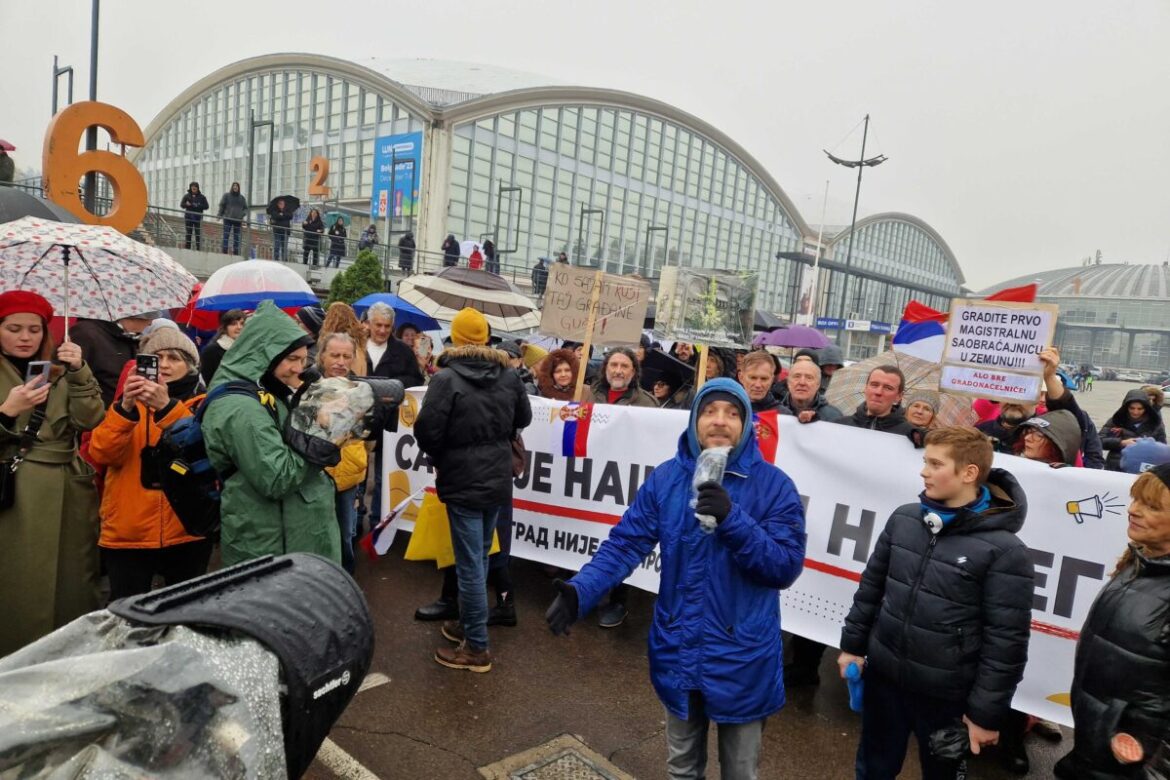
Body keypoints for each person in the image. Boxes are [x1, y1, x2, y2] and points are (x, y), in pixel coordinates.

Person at [546, 378, 807, 780]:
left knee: (740, 772)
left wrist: (732, 519)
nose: (720, 421)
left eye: (732, 413)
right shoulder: (667, 479)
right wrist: (581, 591)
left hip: (742, 656)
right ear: (694, 419)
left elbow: (784, 567)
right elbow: (625, 544)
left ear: (746, 423)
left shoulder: (775, 487)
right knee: (682, 769)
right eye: (710, 411)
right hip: (678, 646)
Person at [838, 426, 1034, 779]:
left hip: (946, 698)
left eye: (934, 463)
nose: (923, 471)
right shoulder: (903, 519)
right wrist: (852, 646)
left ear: (969, 473)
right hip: (884, 679)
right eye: (925, 461)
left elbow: (1006, 643)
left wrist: (984, 714)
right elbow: (871, 588)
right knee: (872, 768)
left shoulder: (1007, 552)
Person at [414, 308, 532, 673]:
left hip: (463, 480)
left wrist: (447, 450)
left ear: (457, 338)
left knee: (470, 563)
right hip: (496, 478)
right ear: (484, 338)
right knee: (478, 557)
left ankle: (477, 647)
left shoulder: (446, 378)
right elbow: (523, 419)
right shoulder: (508, 376)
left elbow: (426, 431)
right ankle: (469, 625)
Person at [0, 291, 105, 656]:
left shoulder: (59, 369)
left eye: (34, 329)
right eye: (13, 328)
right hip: (14, 492)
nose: (24, 337)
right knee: (20, 583)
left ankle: (67, 659)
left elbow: (90, 419)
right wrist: (6, 411)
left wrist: (78, 370)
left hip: (68, 489)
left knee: (72, 581)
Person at [201, 301, 341, 566]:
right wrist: (322, 433)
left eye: (303, 359)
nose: (299, 368)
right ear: (266, 354)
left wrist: (303, 399)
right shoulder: (240, 409)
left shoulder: (265, 389)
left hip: (287, 535)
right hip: (269, 543)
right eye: (292, 359)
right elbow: (277, 477)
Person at [1054, 465, 1170, 779]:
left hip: (1130, 762)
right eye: (1135, 500)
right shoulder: (1141, 561)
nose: (1133, 510)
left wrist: (1148, 754)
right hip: (1096, 744)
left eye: (1151, 506)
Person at [89, 327, 211, 600]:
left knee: (185, 611)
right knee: (127, 615)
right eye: (157, 357)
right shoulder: (128, 404)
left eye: (175, 358)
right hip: (129, 530)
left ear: (190, 366)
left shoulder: (202, 404)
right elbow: (102, 453)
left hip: (186, 530)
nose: (165, 364)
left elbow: (202, 453)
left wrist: (167, 408)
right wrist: (125, 409)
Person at [978, 347, 1104, 468]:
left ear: (1037, 399)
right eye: (1007, 392)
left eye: (1022, 393)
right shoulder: (978, 433)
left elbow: (1070, 417)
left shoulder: (1051, 433)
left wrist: (1049, 377)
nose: (1014, 401)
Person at [365, 301, 424, 525]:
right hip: (359, 419)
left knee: (382, 477)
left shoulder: (402, 351)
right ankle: (355, 520)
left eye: (386, 326)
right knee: (356, 477)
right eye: (378, 324)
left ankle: (376, 522)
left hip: (389, 423)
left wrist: (391, 386)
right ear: (369, 323)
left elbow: (415, 381)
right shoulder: (357, 345)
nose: (381, 330)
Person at [317, 332, 367, 575]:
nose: (340, 361)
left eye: (347, 356)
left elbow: (368, 438)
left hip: (348, 475)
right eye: (334, 355)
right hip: (317, 474)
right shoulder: (309, 387)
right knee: (318, 533)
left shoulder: (361, 390)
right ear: (322, 356)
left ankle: (345, 579)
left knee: (346, 533)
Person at [69, 312, 156, 408]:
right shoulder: (85, 334)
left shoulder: (127, 337)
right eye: (149, 317)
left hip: (120, 414)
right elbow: (72, 379)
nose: (150, 323)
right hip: (94, 414)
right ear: (135, 316)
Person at [833, 365, 915, 436]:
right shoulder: (839, 426)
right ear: (865, 388)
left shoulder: (910, 435)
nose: (878, 392)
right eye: (874, 385)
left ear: (899, 396)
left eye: (888, 388)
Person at [1099, 389, 1167, 472]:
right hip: (1115, 467)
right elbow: (1099, 441)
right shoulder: (1116, 420)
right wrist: (1121, 443)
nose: (1135, 412)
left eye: (1140, 409)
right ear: (1126, 407)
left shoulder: (1156, 423)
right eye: (1132, 408)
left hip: (1143, 470)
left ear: (1146, 408)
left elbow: (1162, 449)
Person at [778, 357, 842, 423]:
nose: (802, 382)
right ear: (788, 382)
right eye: (797, 376)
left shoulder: (833, 417)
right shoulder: (775, 412)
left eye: (809, 378)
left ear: (818, 384)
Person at [590, 347, 656, 408]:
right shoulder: (588, 394)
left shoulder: (647, 403)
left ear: (633, 372)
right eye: (614, 365)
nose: (618, 371)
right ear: (606, 368)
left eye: (624, 366)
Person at [199, 309, 246, 385]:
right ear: (225, 327)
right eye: (233, 324)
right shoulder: (212, 351)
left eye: (242, 324)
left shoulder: (249, 348)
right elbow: (207, 380)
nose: (239, 327)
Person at [217, 182, 248, 255]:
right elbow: (222, 206)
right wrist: (219, 215)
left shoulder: (242, 198)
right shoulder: (226, 196)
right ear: (232, 187)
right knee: (226, 235)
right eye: (234, 186)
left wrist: (241, 214)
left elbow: (246, 209)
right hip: (228, 218)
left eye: (236, 186)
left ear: (238, 188)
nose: (235, 187)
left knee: (237, 237)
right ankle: (224, 251)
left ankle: (236, 252)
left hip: (238, 220)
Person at [180, 182, 209, 250]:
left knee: (198, 234)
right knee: (188, 233)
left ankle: (198, 249)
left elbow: (206, 206)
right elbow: (182, 205)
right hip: (189, 217)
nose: (194, 188)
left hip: (198, 218)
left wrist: (198, 205)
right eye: (192, 187)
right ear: (190, 188)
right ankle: (187, 248)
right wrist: (186, 204)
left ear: (197, 188)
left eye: (195, 187)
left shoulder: (202, 197)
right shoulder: (186, 196)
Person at [267, 198, 294, 262]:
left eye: (282, 203)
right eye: (280, 203)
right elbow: (273, 218)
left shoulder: (288, 210)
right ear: (277, 204)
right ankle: (276, 258)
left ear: (284, 204)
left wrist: (282, 215)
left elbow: (290, 216)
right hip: (277, 231)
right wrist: (280, 216)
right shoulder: (274, 211)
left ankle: (284, 259)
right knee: (277, 246)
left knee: (284, 247)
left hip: (285, 231)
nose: (281, 205)